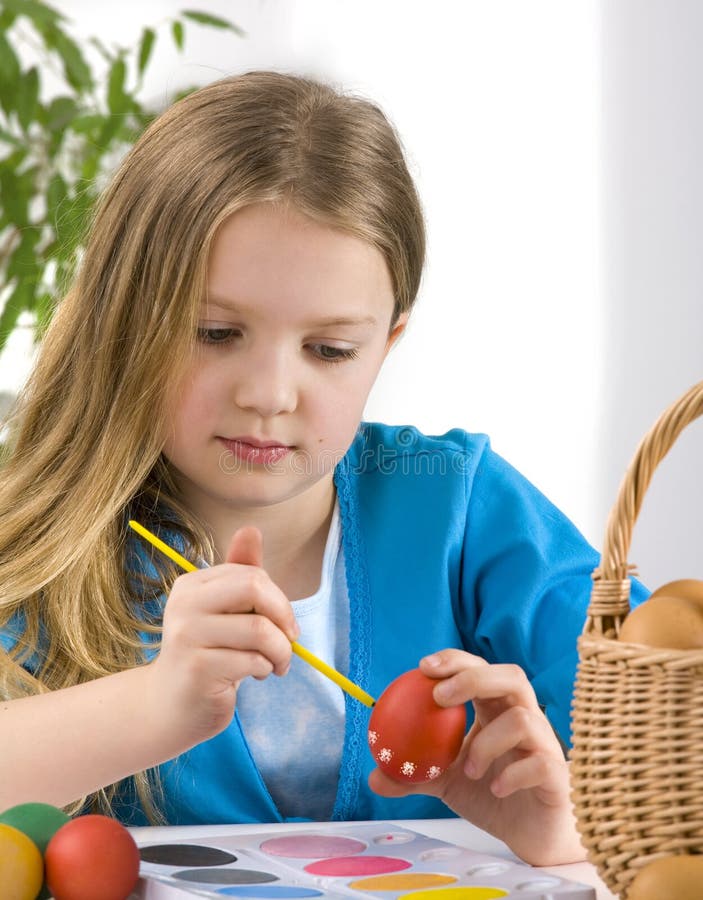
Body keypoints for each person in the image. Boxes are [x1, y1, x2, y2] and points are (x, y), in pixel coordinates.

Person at [0, 70, 645, 867]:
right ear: (126, 316)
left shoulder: (457, 505)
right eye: (213, 332)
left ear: (387, 343)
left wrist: (575, 828)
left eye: (329, 350)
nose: (269, 395)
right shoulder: (50, 535)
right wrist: (155, 706)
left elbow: (659, 721)